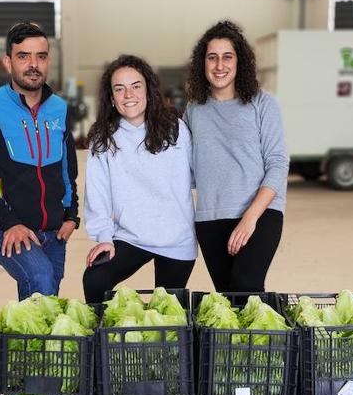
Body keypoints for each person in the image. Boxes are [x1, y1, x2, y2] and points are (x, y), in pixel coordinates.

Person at [0, 22, 78, 299]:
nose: (33, 64)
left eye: (40, 56)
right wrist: (8, 222)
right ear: (8, 62)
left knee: (45, 302)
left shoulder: (60, 109)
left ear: (48, 60)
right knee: (40, 278)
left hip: (53, 231)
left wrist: (71, 215)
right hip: (3, 225)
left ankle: (26, 342)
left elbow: (67, 169)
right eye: (23, 56)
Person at [183, 19, 288, 293]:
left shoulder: (263, 103)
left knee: (245, 287)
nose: (220, 66)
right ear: (202, 63)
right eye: (212, 58)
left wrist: (250, 217)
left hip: (260, 214)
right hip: (210, 218)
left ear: (239, 61)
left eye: (227, 57)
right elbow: (186, 166)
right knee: (231, 301)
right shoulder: (194, 110)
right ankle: (267, 336)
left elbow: (278, 163)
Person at [82, 54, 195, 304]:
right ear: (111, 99)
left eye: (136, 86)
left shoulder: (175, 129)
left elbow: (196, 176)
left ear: (148, 91)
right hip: (131, 236)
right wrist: (104, 238)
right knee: (95, 279)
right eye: (119, 89)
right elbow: (97, 196)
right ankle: (102, 343)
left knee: (167, 315)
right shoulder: (103, 139)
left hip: (176, 239)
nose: (128, 95)